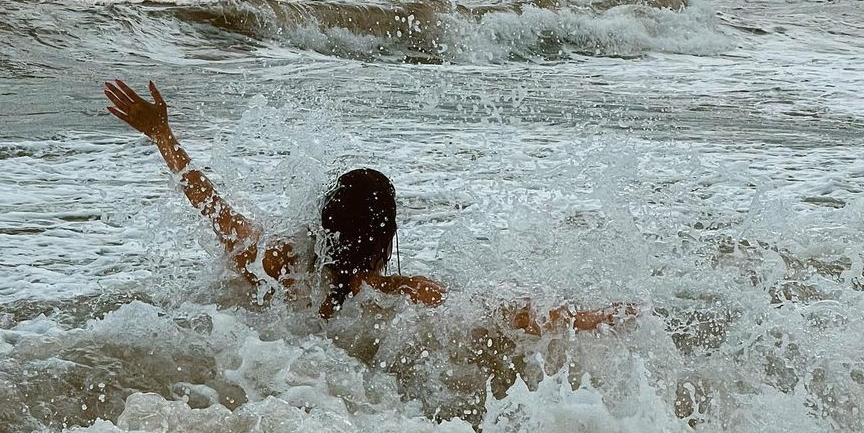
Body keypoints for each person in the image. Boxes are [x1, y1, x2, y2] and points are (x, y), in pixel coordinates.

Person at [104, 79, 636, 332]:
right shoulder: (403, 294)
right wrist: (606, 316)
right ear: (387, 236)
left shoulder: (277, 267)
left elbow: (212, 207)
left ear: (322, 219)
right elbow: (519, 316)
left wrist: (163, 136)